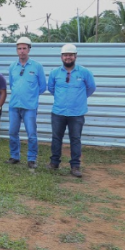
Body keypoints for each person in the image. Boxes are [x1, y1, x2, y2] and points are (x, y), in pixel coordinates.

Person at [47, 44, 96, 178]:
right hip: (58, 112)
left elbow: (91, 88)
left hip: (77, 113)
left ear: (75, 56)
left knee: (75, 139)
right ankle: (54, 163)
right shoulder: (55, 73)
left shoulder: (84, 72)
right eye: (65, 55)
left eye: (70, 55)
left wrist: (78, 99)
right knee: (56, 138)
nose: (68, 57)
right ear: (61, 57)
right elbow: (51, 88)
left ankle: (75, 166)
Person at [7, 37, 46, 168]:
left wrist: (31, 96)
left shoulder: (37, 66)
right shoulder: (12, 66)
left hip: (29, 107)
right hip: (14, 106)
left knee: (31, 134)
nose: (22, 51)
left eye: (24, 48)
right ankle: (14, 156)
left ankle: (31, 159)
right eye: (19, 48)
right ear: (16, 50)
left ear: (29, 49)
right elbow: (12, 84)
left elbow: (42, 86)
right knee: (13, 132)